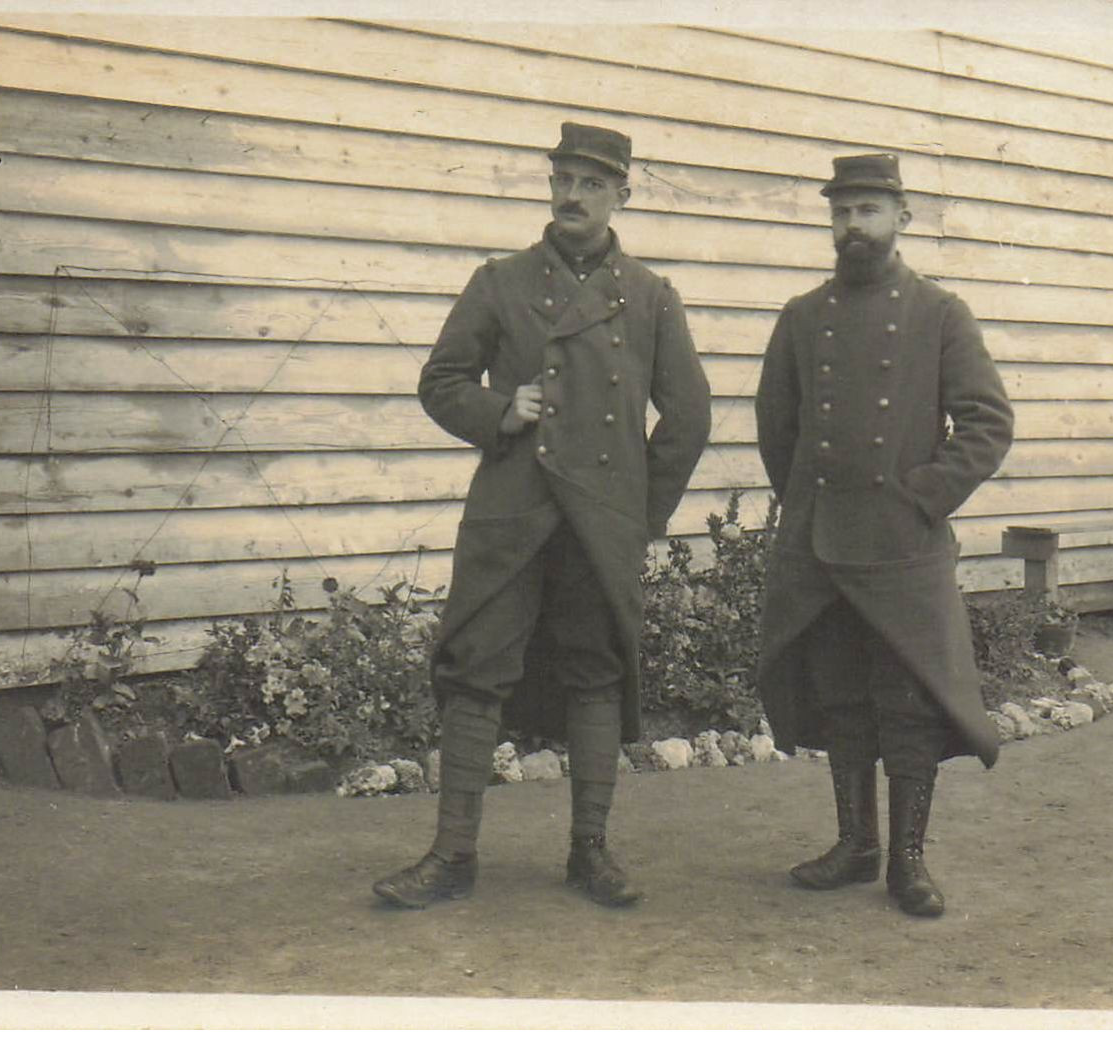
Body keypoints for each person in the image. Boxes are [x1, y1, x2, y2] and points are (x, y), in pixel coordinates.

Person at [373, 122, 712, 909]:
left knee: (595, 673)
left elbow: (689, 417)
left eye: (591, 184)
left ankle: (589, 852)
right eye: (562, 178)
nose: (571, 195)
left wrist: (639, 513)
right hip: (512, 512)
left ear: (621, 195)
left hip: (598, 523)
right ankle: (451, 856)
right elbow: (440, 381)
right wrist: (500, 409)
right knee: (475, 672)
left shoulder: (651, 296)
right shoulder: (501, 281)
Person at [754, 153, 1013, 917]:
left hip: (903, 544)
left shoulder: (939, 313)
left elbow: (987, 424)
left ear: (900, 218)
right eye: (840, 212)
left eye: (867, 211)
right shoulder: (802, 316)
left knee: (907, 704)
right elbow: (779, 427)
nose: (851, 227)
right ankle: (854, 844)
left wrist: (920, 497)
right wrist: (808, 505)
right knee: (840, 698)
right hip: (823, 543)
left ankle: (907, 859)